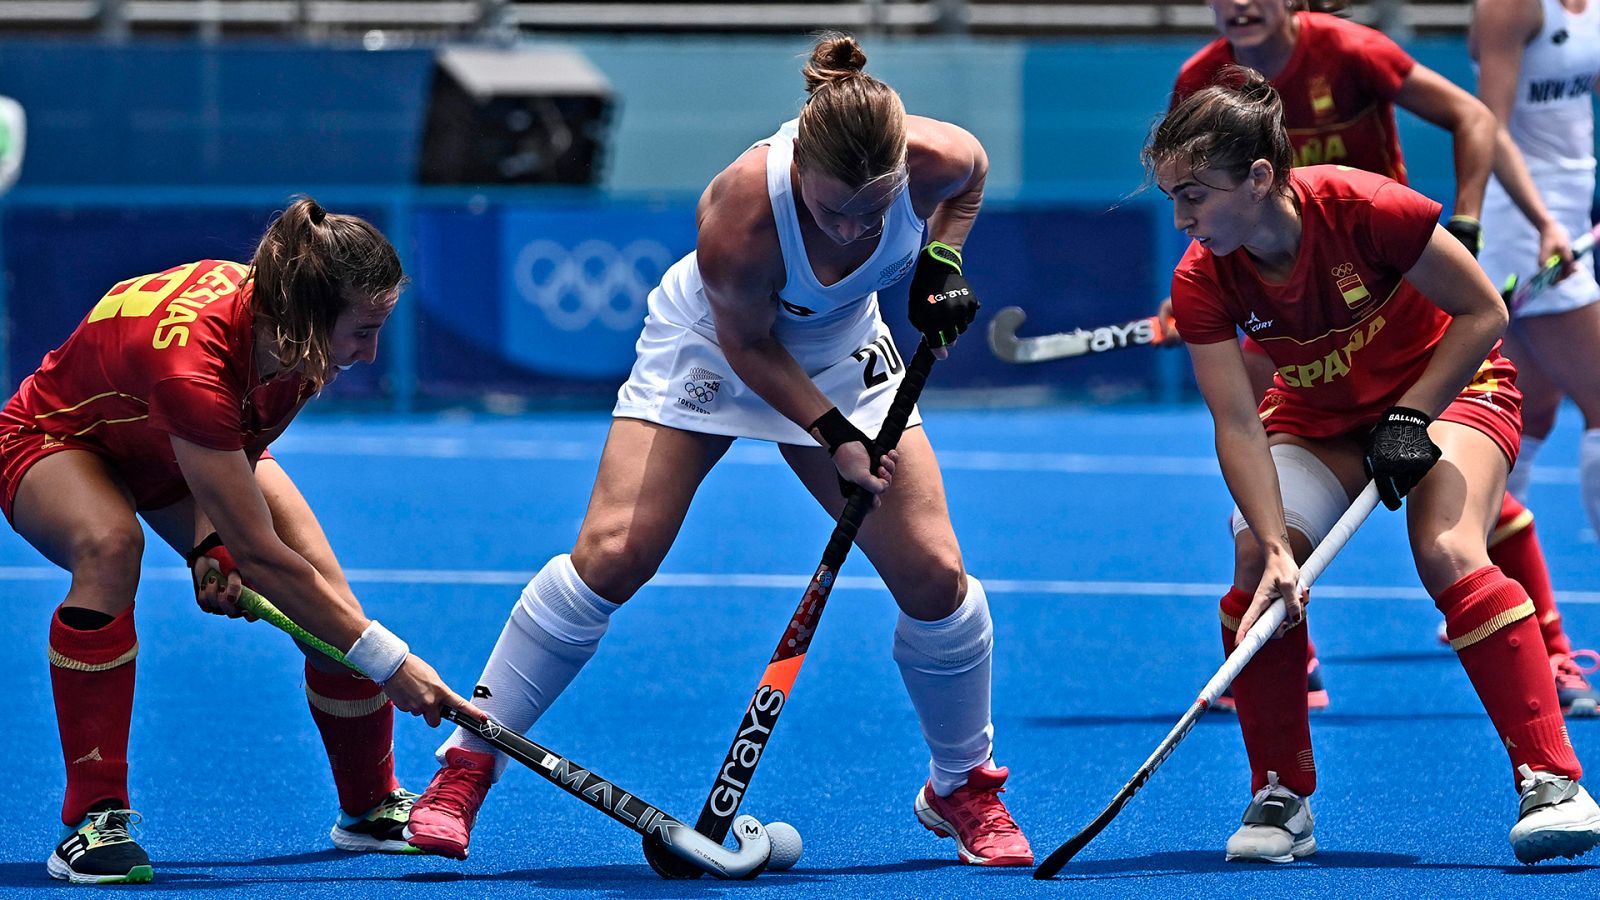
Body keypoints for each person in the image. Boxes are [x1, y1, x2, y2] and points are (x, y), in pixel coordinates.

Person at [403, 32, 1033, 867]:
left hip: (844, 352)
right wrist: (837, 438)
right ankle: (470, 760)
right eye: (831, 209)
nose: (851, 230)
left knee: (935, 577)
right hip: (714, 347)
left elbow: (972, 175)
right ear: (799, 165)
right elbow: (749, 346)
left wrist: (943, 260)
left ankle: (961, 786)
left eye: (871, 211)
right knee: (616, 552)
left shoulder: (933, 155)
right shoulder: (743, 208)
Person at [1153, 67, 1600, 864]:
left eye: (1195, 195)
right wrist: (1282, 547)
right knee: (1257, 563)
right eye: (1172, 199)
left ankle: (1552, 780)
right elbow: (1237, 426)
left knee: (1449, 551)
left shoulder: (1366, 208)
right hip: (1319, 418)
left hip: (1449, 386)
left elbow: (1483, 311)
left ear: (1260, 178)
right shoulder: (1202, 279)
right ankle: (1280, 794)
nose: (1182, 218)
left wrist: (1410, 415)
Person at [0, 198, 483, 884]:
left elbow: (238, 475)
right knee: (110, 546)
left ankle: (370, 807)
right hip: (59, 438)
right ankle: (93, 818)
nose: (370, 352)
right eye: (364, 331)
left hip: (175, 444)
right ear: (311, 319)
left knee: (329, 597)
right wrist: (393, 663)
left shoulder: (298, 338)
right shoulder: (197, 364)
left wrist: (211, 549)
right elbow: (261, 556)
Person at [1471, 0, 1600, 667]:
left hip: (1570, 214)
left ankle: (1483, 583)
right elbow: (1486, 128)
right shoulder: (1511, 5)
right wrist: (1544, 220)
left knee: (1533, 408)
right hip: (1526, 224)